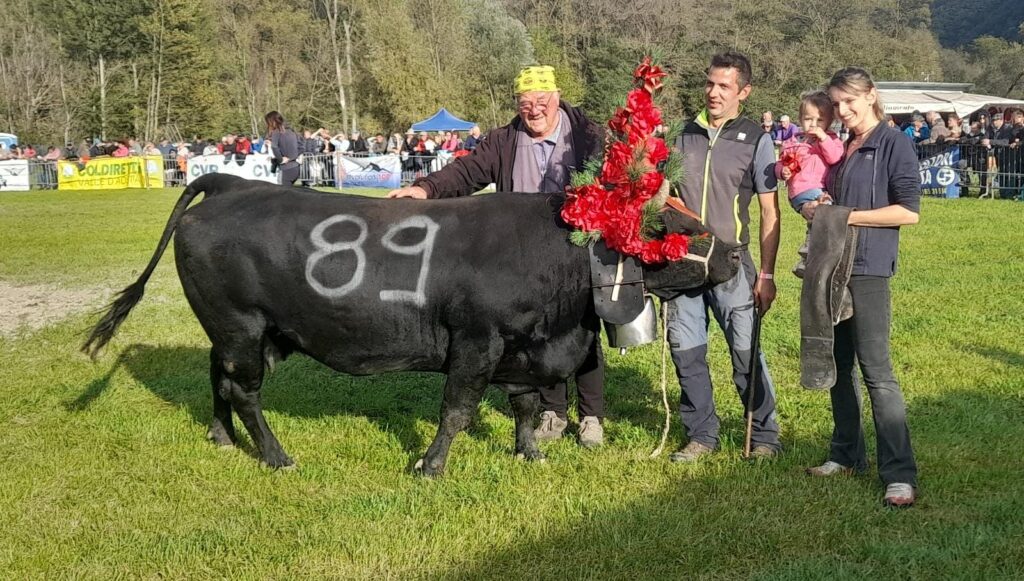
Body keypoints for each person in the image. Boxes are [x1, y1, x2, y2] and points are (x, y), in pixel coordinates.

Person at [387, 65, 608, 448]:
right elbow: (467, 171)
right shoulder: (504, 140)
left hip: (578, 253)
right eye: (525, 104)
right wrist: (424, 190)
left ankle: (591, 416)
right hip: (524, 260)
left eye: (541, 102)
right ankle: (552, 412)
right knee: (540, 335)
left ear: (556, 99)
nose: (534, 110)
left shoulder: (588, 136)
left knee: (581, 333)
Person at [802, 66, 920, 508]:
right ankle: (845, 454)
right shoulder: (840, 146)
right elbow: (829, 199)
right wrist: (817, 207)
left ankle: (900, 474)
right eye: (837, 103)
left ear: (871, 96)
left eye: (851, 101)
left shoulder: (894, 143)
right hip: (831, 267)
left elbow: (908, 212)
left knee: (877, 372)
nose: (844, 110)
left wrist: (845, 216)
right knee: (837, 366)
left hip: (869, 269)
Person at [666, 51, 782, 462]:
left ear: (743, 92)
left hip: (732, 263)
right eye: (710, 83)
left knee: (745, 352)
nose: (713, 93)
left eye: (724, 86)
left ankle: (764, 436)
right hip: (682, 263)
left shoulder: (757, 138)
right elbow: (662, 196)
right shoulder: (681, 134)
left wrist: (766, 274)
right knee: (686, 350)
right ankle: (701, 434)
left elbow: (770, 211)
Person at [775, 90, 844, 275]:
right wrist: (782, 171)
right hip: (803, 189)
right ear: (799, 118)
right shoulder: (793, 141)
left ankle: (808, 256)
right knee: (828, 212)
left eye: (820, 120)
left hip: (815, 191)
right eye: (808, 119)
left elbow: (835, 157)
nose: (813, 124)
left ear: (830, 121)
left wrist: (823, 138)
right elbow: (780, 162)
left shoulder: (831, 140)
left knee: (818, 215)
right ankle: (815, 252)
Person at [265, 110, 300, 185]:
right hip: (296, 168)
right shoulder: (292, 130)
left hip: (286, 169)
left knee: (282, 195)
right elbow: (302, 146)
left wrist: (280, 159)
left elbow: (274, 147)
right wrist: (291, 157)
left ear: (272, 121)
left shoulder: (277, 132)